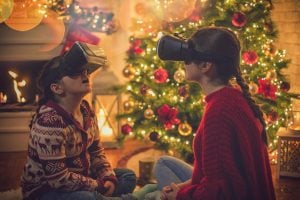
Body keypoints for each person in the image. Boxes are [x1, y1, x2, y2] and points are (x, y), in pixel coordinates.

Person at [153, 27, 276, 200]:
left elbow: (224, 191)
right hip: (229, 187)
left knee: (156, 192)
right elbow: (216, 176)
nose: (183, 62)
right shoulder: (230, 96)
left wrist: (181, 196)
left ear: (205, 65)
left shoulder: (219, 113)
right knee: (163, 164)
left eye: (188, 57)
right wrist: (182, 188)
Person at [21, 42, 136, 200]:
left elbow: (96, 151)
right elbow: (58, 180)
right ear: (57, 88)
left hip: (83, 177)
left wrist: (108, 178)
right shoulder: (50, 122)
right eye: (75, 73)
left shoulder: (86, 110)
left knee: (127, 177)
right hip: (46, 190)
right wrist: (97, 185)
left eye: (85, 71)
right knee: (87, 197)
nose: (85, 75)